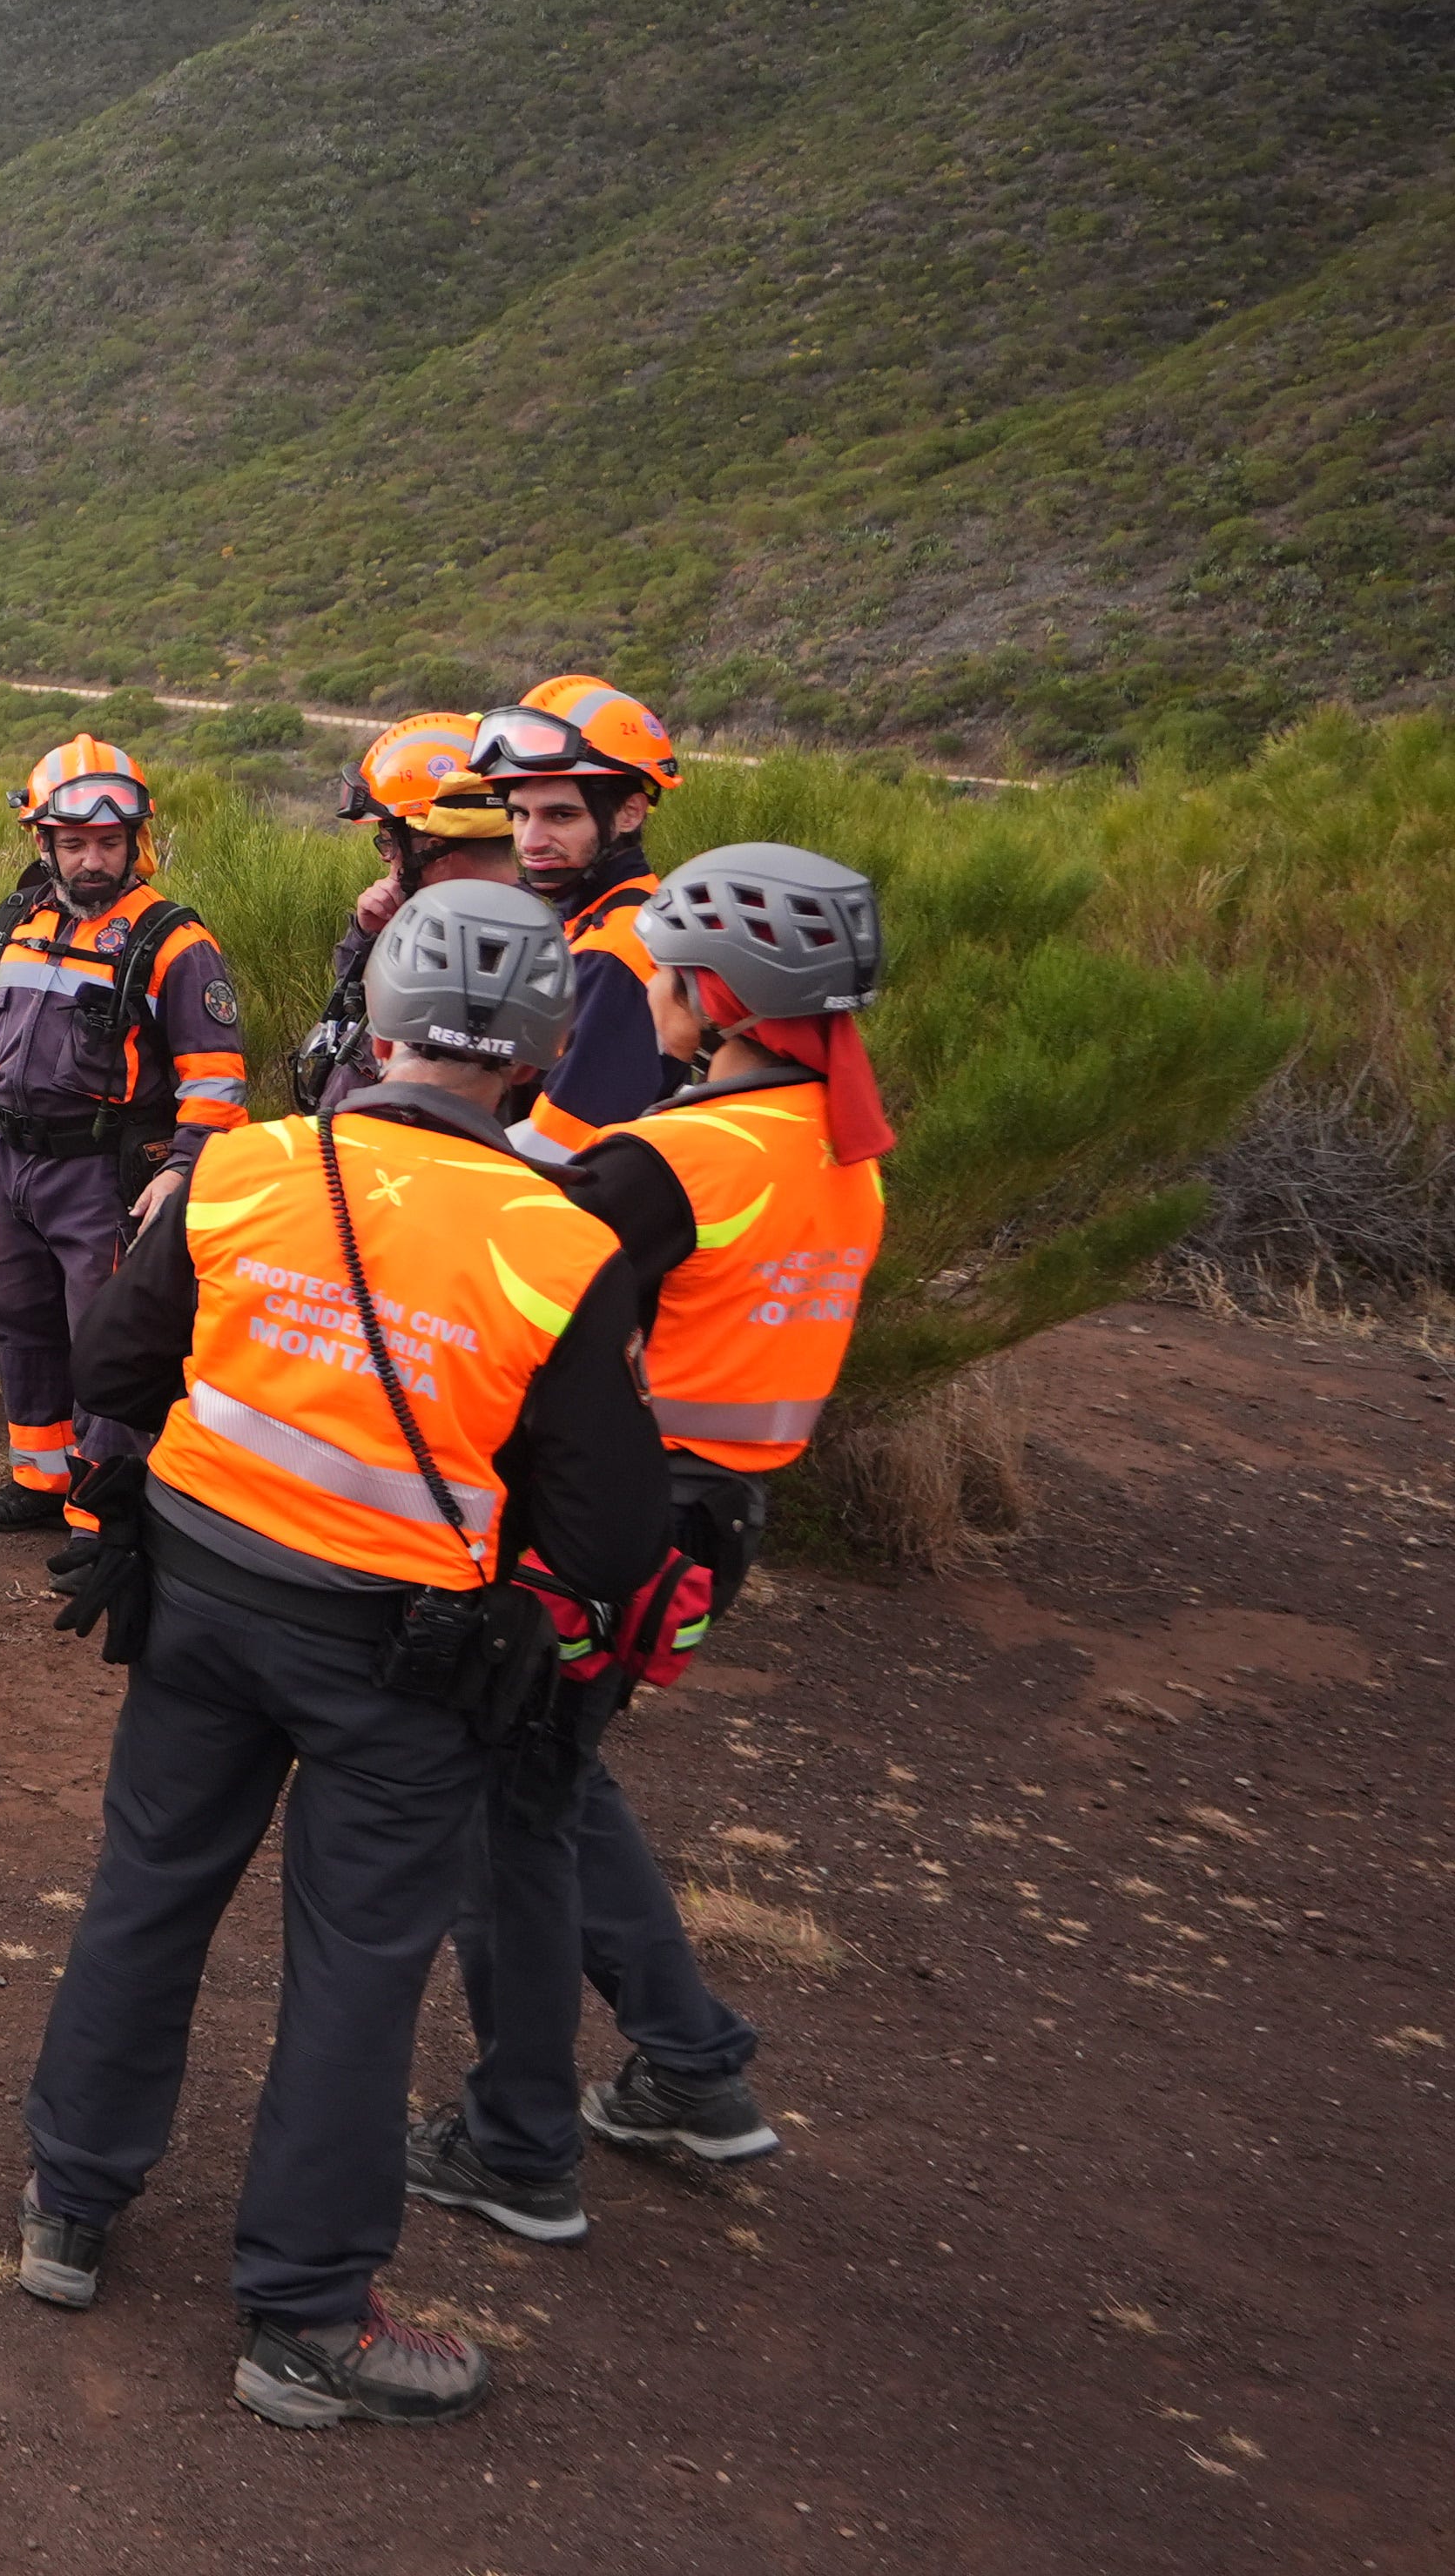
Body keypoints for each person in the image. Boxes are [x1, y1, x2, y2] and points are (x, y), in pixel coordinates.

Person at [10, 880, 665, 2431]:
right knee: (359, 1968)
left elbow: (114, 1360)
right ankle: (303, 2317)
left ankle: (68, 2208)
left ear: (370, 1024)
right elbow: (614, 1526)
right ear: (542, 1053)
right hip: (402, 1658)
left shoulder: (244, 1170)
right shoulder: (559, 1244)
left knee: (146, 1892)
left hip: (201, 1601)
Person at [412, 842, 890, 2244]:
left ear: (713, 997)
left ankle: (518, 2146)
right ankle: (691, 2065)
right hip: (709, 1525)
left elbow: (516, 1304)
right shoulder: (838, 1145)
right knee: (557, 1784)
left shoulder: (671, 1160)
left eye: (663, 978)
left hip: (597, 1529)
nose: (652, 999)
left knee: (510, 1829)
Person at [0, 738, 249, 1533]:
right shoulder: (12, 925)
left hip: (105, 1175)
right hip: (10, 1162)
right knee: (18, 1320)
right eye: (75, 845)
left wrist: (183, 1168)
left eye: (111, 842)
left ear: (138, 839)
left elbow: (216, 1078)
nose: (94, 860)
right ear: (45, 843)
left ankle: (103, 1505)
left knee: (103, 1334)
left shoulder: (172, 941)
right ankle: (39, 1480)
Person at [470, 676, 682, 1164]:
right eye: (520, 815)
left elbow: (560, 1147)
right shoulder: (606, 919)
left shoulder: (619, 950)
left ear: (629, 813)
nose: (530, 841)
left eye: (560, 816)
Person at [291, 714, 522, 1112]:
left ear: (432, 849)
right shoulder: (447, 928)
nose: (388, 860)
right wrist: (369, 937)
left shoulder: (495, 957)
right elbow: (348, 1015)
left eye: (388, 841)